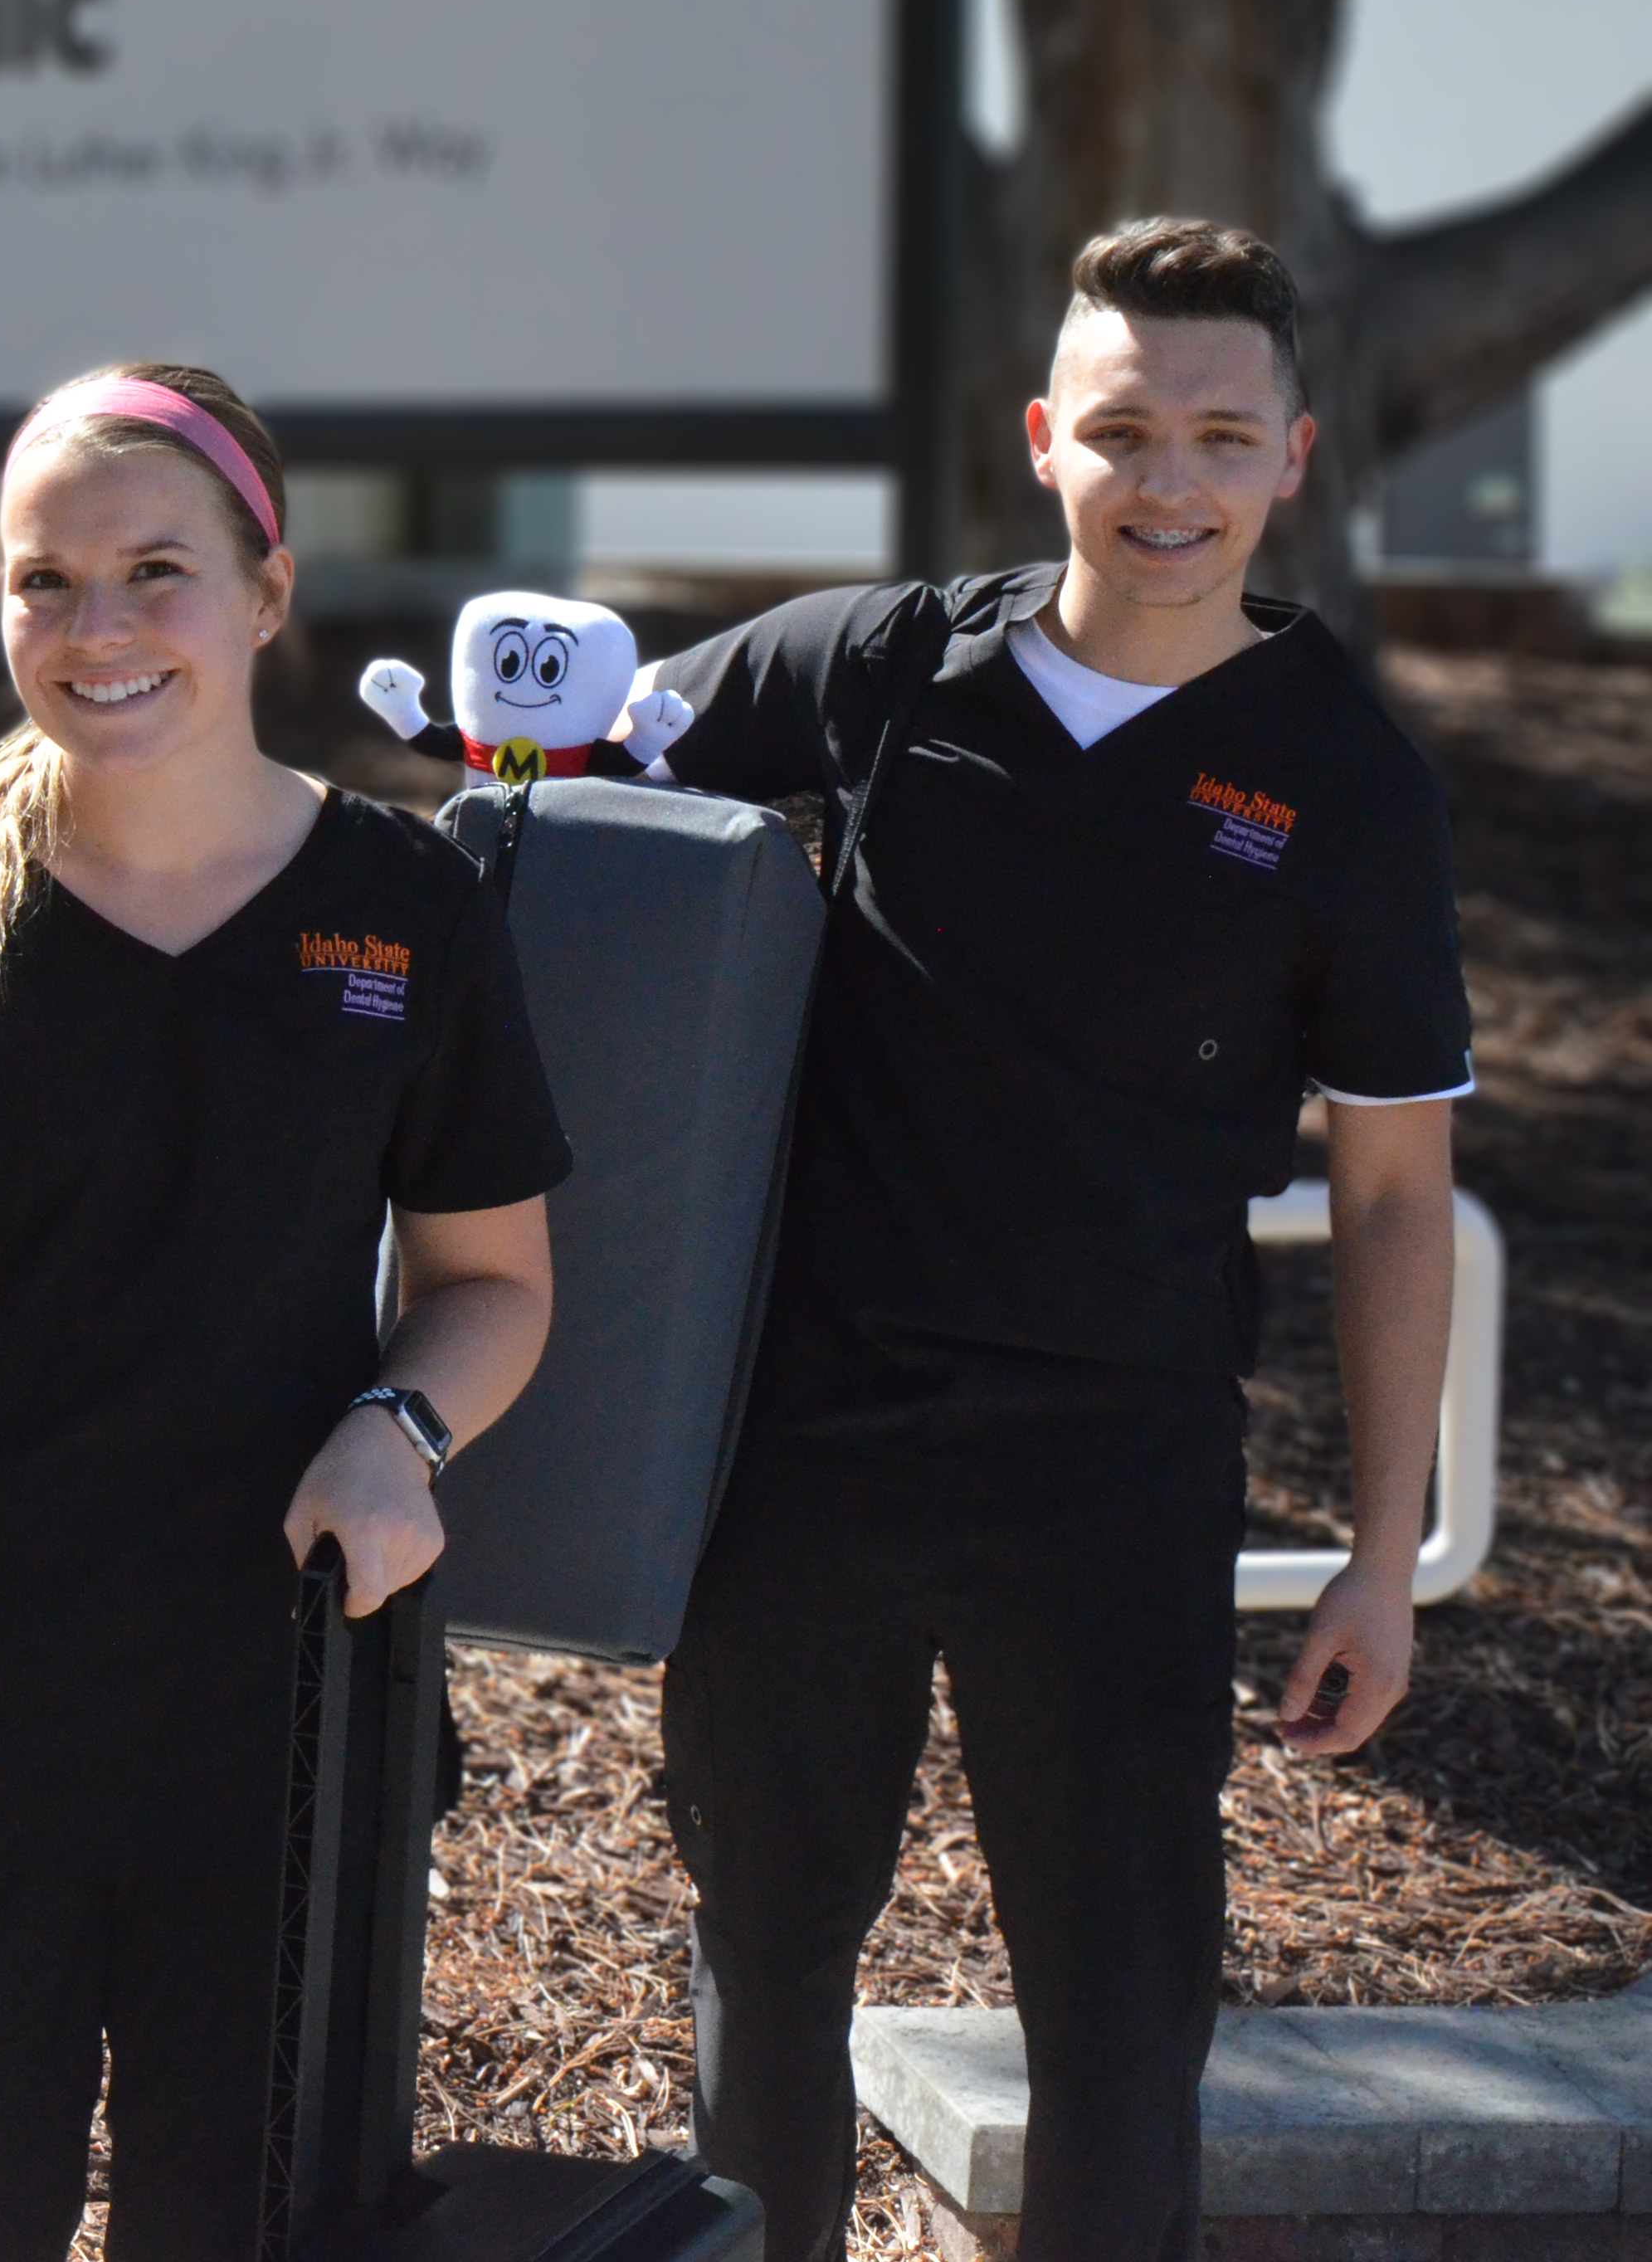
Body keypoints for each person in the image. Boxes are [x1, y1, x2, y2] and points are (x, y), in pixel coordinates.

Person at [629, 221, 1470, 2262]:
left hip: (1113, 1473)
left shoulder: (1340, 781)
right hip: (803, 1446)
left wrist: (1377, 1549)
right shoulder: (879, 669)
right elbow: (569, 761)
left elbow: (1388, 1193)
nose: (1159, 482)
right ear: (1040, 442)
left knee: (1115, 2022)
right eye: (1116, 432)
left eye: (1210, 435)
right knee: (768, 1964)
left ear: (1291, 461)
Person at [0, 364, 568, 2260]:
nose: (94, 630)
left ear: (268, 592)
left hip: (284, 1746)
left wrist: (398, 1425)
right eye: (42, 582)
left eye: (152, 572)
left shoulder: (405, 909)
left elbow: (494, 1288)